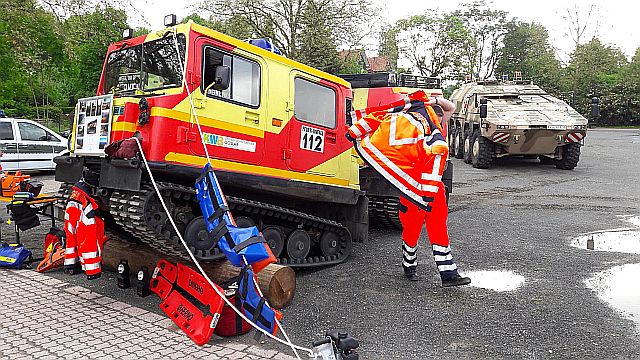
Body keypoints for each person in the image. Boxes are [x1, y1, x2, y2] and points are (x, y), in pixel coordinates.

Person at [347, 91, 471, 287]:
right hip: (412, 190)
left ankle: (449, 274)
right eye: (438, 119)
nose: (441, 123)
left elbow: (451, 107)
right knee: (411, 232)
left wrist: (433, 101)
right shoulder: (413, 126)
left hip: (432, 189)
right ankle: (409, 265)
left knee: (438, 229)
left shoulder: (436, 126)